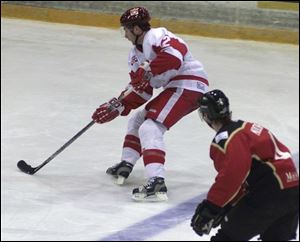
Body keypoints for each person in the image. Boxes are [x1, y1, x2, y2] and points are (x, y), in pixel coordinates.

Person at [91, 6, 209, 202]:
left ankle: (156, 181)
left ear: (136, 29)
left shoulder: (156, 35)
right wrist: (119, 105)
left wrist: (148, 71)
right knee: (137, 120)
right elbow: (142, 92)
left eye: (126, 30)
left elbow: (175, 56)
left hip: (189, 84)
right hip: (176, 87)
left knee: (150, 128)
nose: (125, 35)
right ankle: (126, 164)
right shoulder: (135, 56)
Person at [191, 89, 299, 241]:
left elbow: (233, 174)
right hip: (293, 190)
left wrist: (212, 207)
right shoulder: (248, 127)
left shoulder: (225, 138)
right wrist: (228, 205)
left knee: (227, 238)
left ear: (206, 115)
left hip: (269, 193)